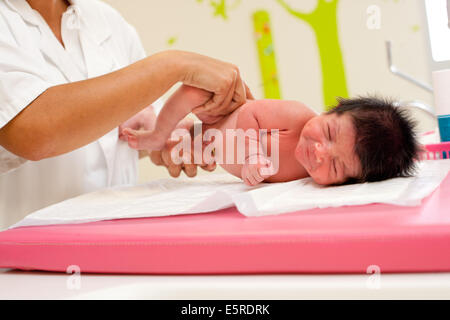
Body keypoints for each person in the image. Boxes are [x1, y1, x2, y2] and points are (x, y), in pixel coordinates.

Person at [0, 0, 252, 228]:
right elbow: (34, 129)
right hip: (21, 261)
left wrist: (162, 133)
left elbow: (116, 124)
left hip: (115, 246)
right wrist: (174, 65)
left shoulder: (105, 20)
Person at [123, 85, 420, 186]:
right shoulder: (298, 114)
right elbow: (250, 114)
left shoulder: (305, 178)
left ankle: (153, 132)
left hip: (208, 146)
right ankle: (155, 132)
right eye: (328, 132)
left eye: (336, 166)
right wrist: (252, 154)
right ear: (335, 107)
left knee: (177, 146)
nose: (319, 152)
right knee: (195, 92)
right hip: (216, 117)